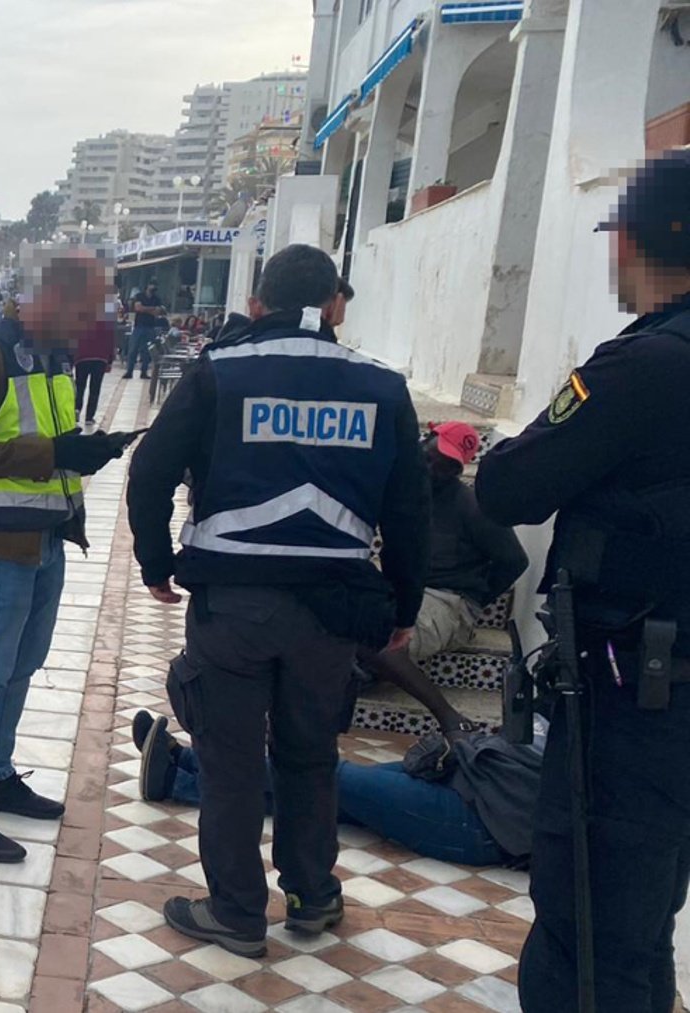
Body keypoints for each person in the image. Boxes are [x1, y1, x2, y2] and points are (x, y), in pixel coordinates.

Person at [126, 244, 429, 956]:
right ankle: (312, 895)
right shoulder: (382, 386)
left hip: (233, 604)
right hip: (331, 611)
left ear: (257, 303)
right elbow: (411, 510)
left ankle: (235, 910)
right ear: (331, 307)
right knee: (309, 753)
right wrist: (405, 606)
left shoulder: (219, 371)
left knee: (230, 759)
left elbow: (150, 471)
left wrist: (155, 561)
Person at [474, 150, 690, 1013]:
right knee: (642, 920)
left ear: (636, 243)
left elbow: (508, 486)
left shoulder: (644, 365)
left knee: (587, 929)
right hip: (663, 697)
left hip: (629, 697)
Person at [0, 249, 136, 863]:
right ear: (44, 299)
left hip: (46, 534)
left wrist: (79, 452)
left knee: (25, 662)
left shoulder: (51, 359)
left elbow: (47, 442)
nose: (84, 327)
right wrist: (53, 455)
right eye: (78, 312)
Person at [131, 710, 540, 868]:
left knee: (325, 776)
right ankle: (184, 769)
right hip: (471, 783)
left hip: (481, 821)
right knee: (322, 795)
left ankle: (183, 776)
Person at [358, 422, 526, 734]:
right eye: (430, 457)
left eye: (447, 466)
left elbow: (514, 560)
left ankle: (449, 718)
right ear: (424, 442)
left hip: (446, 599)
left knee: (377, 638)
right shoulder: (402, 490)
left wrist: (474, 600)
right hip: (397, 588)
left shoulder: (473, 506)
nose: (434, 469)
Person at [124, 282, 166, 379]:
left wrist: (145, 309)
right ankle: (129, 371)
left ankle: (144, 372)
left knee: (147, 351)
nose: (154, 287)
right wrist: (152, 309)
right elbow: (138, 308)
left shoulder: (157, 299)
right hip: (138, 326)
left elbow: (158, 312)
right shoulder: (139, 296)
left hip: (150, 327)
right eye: (152, 285)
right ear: (147, 286)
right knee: (133, 350)